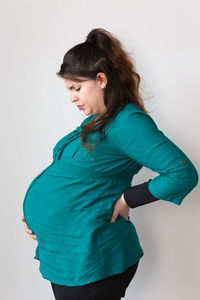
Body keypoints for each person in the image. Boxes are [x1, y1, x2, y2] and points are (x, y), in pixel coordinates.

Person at [22, 28, 199, 300]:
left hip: (93, 257)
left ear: (101, 80)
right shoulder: (100, 119)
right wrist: (40, 218)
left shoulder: (128, 121)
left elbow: (182, 173)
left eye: (77, 88)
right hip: (70, 250)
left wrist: (128, 198)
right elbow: (78, 179)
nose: (72, 97)